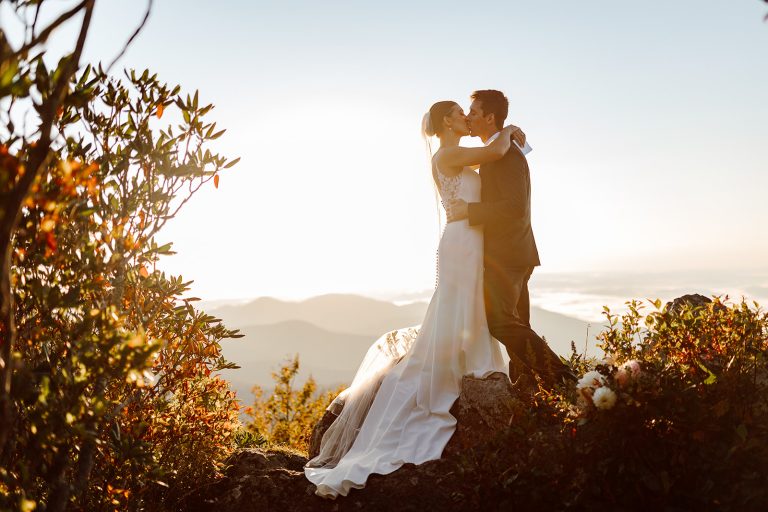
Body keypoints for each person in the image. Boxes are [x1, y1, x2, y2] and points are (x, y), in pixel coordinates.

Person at [304, 100, 523, 498]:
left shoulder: (456, 153)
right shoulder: (450, 152)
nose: (464, 116)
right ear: (445, 121)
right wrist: (509, 131)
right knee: (459, 303)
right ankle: (457, 364)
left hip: (471, 239)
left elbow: (488, 172)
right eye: (458, 111)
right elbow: (494, 151)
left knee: (467, 304)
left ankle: (468, 354)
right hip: (461, 243)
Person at [447, 90, 573, 387]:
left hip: (508, 255)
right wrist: (510, 130)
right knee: (518, 326)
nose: (468, 117)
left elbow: (514, 208)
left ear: (490, 118)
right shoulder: (498, 151)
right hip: (511, 253)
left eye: (474, 113)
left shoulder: (504, 156)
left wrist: (470, 210)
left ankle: (567, 382)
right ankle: (534, 392)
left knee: (501, 322)